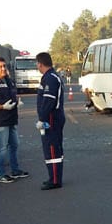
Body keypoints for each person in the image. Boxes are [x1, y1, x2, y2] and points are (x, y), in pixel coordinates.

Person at [0, 57, 29, 183]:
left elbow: (12, 95)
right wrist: (2, 107)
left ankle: (15, 171)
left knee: (14, 145)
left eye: (4, 66)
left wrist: (17, 101)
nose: (3, 68)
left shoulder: (9, 81)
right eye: (0, 66)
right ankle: (0, 175)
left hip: (11, 118)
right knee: (1, 148)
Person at [35, 52, 65, 190]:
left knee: (52, 149)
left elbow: (49, 100)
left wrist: (42, 119)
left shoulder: (50, 79)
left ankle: (54, 180)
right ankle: (53, 177)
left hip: (51, 118)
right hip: (52, 117)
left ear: (40, 63)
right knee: (52, 148)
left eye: (37, 64)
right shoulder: (48, 77)